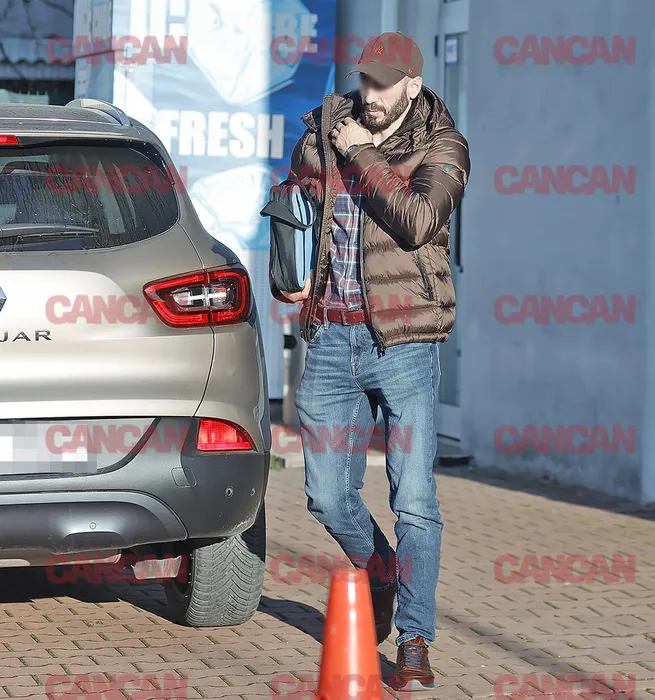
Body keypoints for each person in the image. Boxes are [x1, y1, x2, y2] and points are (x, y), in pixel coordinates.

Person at [270, 31, 470, 692]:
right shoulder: (324, 133)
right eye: (366, 80)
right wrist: (286, 273)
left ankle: (414, 640)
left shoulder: (443, 146)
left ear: (413, 84)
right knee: (326, 495)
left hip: (405, 342)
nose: (372, 93)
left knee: (413, 499)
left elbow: (417, 222)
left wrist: (361, 152)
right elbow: (290, 203)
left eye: (386, 83)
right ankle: (380, 570)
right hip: (330, 338)